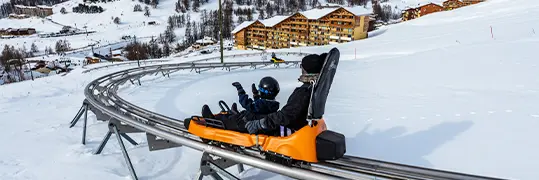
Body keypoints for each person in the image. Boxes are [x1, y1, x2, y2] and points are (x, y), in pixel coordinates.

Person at [244, 52, 327, 135]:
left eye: (302, 66)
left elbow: (285, 116)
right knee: (256, 116)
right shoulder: (314, 87)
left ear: (306, 70)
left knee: (246, 120)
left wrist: (260, 124)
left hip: (290, 130)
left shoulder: (303, 92)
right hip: (299, 125)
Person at [197, 76, 281, 132]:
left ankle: (212, 120)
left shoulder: (262, 104)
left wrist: (240, 91)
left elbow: (247, 104)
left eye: (260, 90)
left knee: (228, 119)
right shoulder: (273, 104)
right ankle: (234, 113)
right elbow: (259, 107)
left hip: (245, 123)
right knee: (237, 115)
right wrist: (256, 96)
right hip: (252, 118)